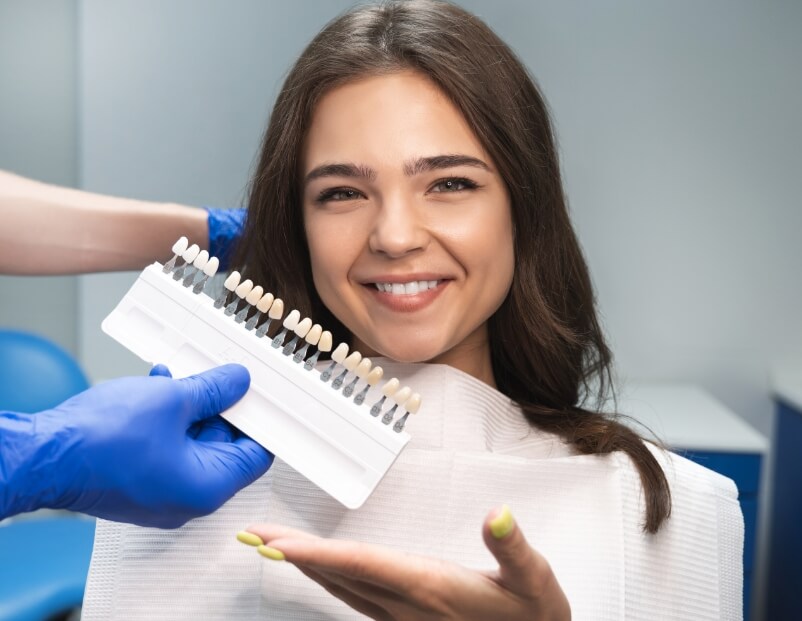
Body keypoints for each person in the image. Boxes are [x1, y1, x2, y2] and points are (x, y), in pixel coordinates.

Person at [0, 1, 743, 619]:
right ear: (298, 224)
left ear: (525, 207)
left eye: (449, 183)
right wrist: (33, 461)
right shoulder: (172, 499)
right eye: (341, 193)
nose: (392, 235)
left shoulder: (671, 513)